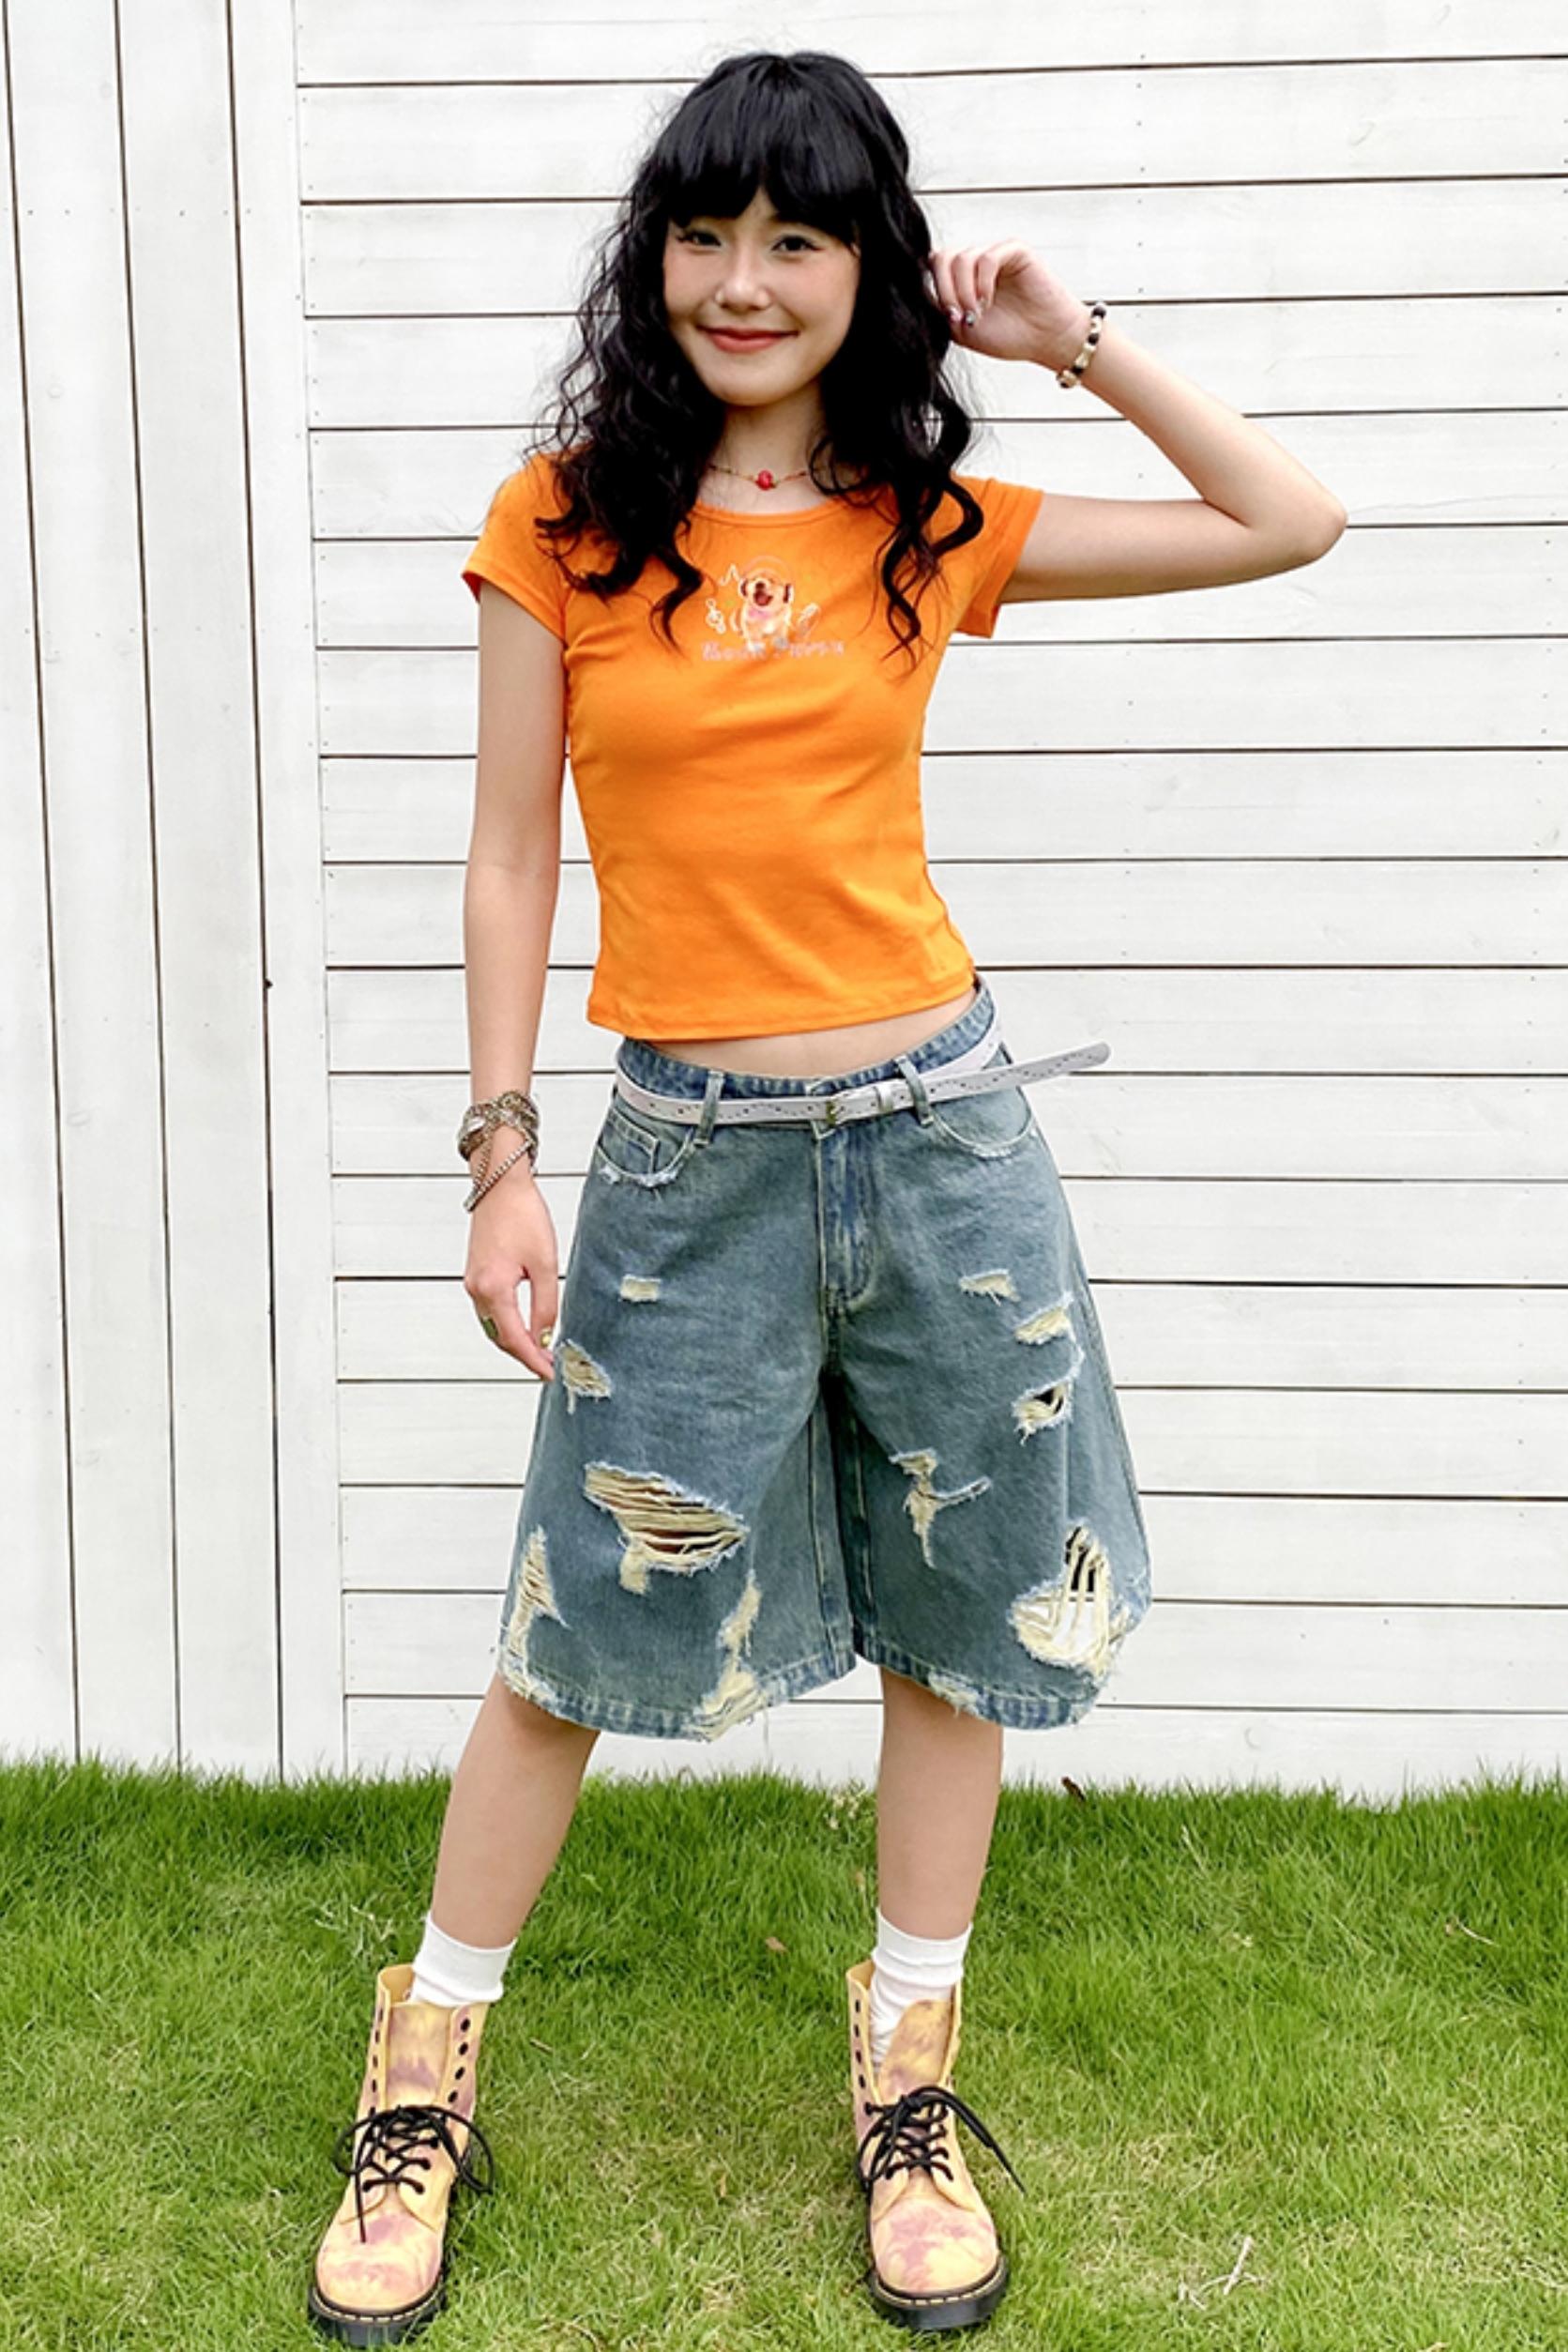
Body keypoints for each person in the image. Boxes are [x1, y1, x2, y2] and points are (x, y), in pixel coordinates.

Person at [308, 48, 1347, 2344]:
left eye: (795, 236)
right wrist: (497, 1153)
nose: (742, 279)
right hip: (685, 1163)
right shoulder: (560, 521)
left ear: (869, 265)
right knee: (576, 1621)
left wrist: (1068, 338)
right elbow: (505, 857)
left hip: (943, 1139)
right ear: (652, 257)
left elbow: (1286, 518)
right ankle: (423, 2070)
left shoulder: (922, 519)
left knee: (959, 1615)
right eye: (703, 232)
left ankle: (905, 2073)